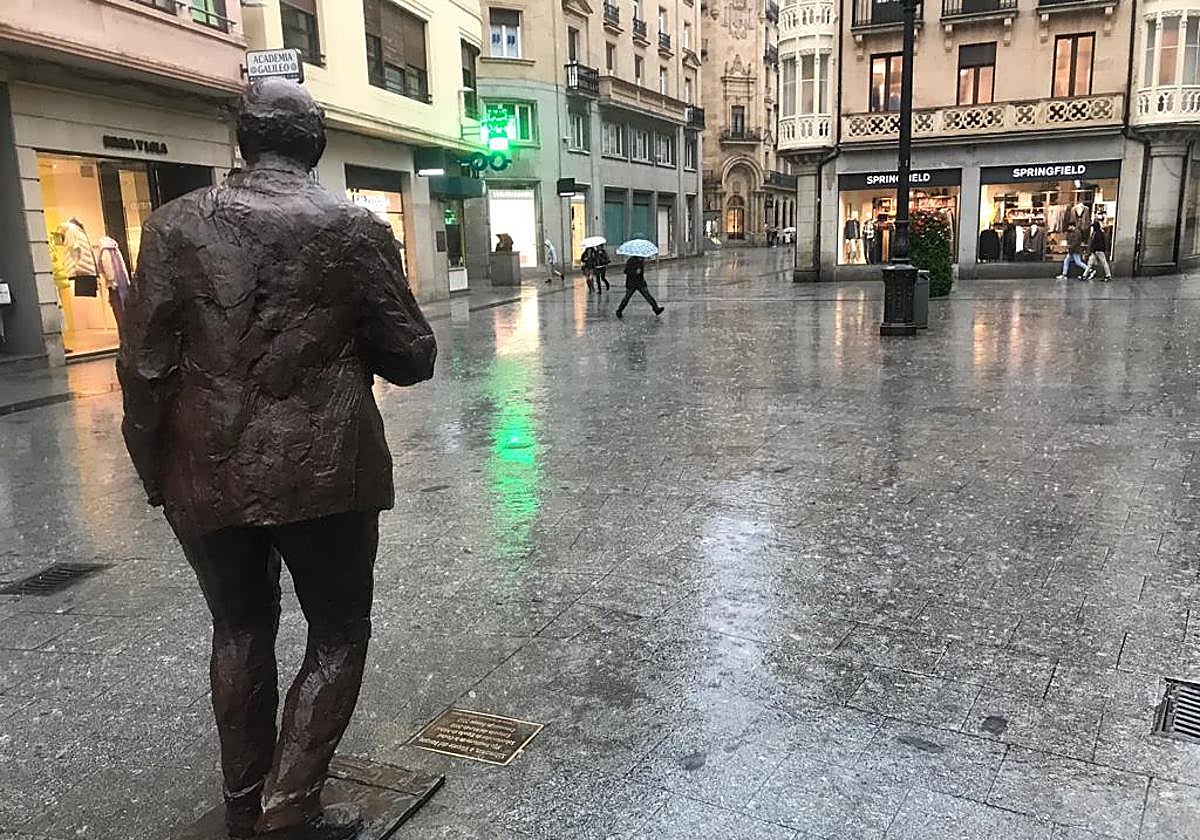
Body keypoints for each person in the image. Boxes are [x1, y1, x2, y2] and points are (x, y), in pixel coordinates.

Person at [117, 78, 436, 840]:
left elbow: (144, 365)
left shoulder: (171, 227)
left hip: (206, 463)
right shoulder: (355, 230)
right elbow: (413, 353)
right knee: (337, 629)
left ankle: (242, 803)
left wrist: (153, 467)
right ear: (316, 141)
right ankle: (288, 808)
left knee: (237, 627)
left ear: (242, 139)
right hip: (325, 468)